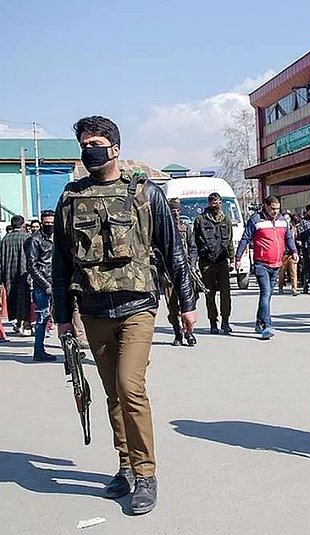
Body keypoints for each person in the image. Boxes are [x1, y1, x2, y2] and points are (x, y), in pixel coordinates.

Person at [52, 115, 196, 515]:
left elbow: (173, 250)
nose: (89, 151)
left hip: (137, 306)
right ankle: (127, 466)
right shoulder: (71, 197)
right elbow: (61, 261)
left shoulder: (146, 194)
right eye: (84, 145)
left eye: (96, 144)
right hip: (93, 308)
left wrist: (186, 304)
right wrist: (62, 315)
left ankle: (146, 474)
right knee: (112, 393)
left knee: (130, 387)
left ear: (115, 148)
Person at [235, 196, 297, 340]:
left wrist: (293, 250)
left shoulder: (283, 221)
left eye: (278, 209)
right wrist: (238, 258)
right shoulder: (256, 220)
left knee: (267, 295)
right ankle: (267, 325)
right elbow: (245, 238)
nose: (275, 211)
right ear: (266, 206)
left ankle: (259, 322)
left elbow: (288, 237)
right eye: (273, 208)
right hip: (261, 264)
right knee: (265, 292)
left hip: (276, 264)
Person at [194, 192, 234, 334]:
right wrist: (194, 263)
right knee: (209, 294)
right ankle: (213, 322)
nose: (216, 205)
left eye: (218, 202)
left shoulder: (226, 219)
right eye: (213, 202)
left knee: (225, 294)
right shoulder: (200, 220)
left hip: (222, 261)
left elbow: (229, 241)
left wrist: (232, 260)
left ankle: (225, 321)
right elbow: (195, 242)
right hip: (206, 263)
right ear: (209, 203)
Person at [164, 199, 198, 347]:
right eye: (173, 211)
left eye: (178, 211)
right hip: (167, 274)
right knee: (172, 306)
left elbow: (193, 247)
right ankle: (177, 332)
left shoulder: (185, 227)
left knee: (188, 303)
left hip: (185, 271)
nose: (176, 214)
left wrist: (192, 265)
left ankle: (189, 333)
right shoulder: (163, 229)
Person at [25, 210, 56, 361]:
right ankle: (38, 350)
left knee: (64, 316)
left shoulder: (57, 237)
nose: (50, 225)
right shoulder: (34, 240)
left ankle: (69, 350)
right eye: (47, 223)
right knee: (42, 317)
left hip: (58, 281)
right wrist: (45, 284)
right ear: (42, 223)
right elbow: (31, 266)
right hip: (42, 284)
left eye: (52, 222)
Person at [0, 215, 32, 336]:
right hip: (24, 272)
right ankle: (26, 324)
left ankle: (18, 322)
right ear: (23, 224)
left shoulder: (5, 239)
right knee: (25, 298)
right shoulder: (27, 237)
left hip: (9, 273)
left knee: (12, 297)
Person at [296, 204, 310, 293]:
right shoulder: (303, 222)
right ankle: (306, 284)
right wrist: (308, 233)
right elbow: (300, 234)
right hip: (306, 247)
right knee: (306, 267)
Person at [278, 214, 300, 296]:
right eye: (285, 218)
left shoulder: (294, 229)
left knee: (293, 272)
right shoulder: (280, 229)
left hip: (292, 253)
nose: (286, 220)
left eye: (288, 218)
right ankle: (280, 287)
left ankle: (294, 289)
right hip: (283, 254)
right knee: (281, 272)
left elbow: (297, 238)